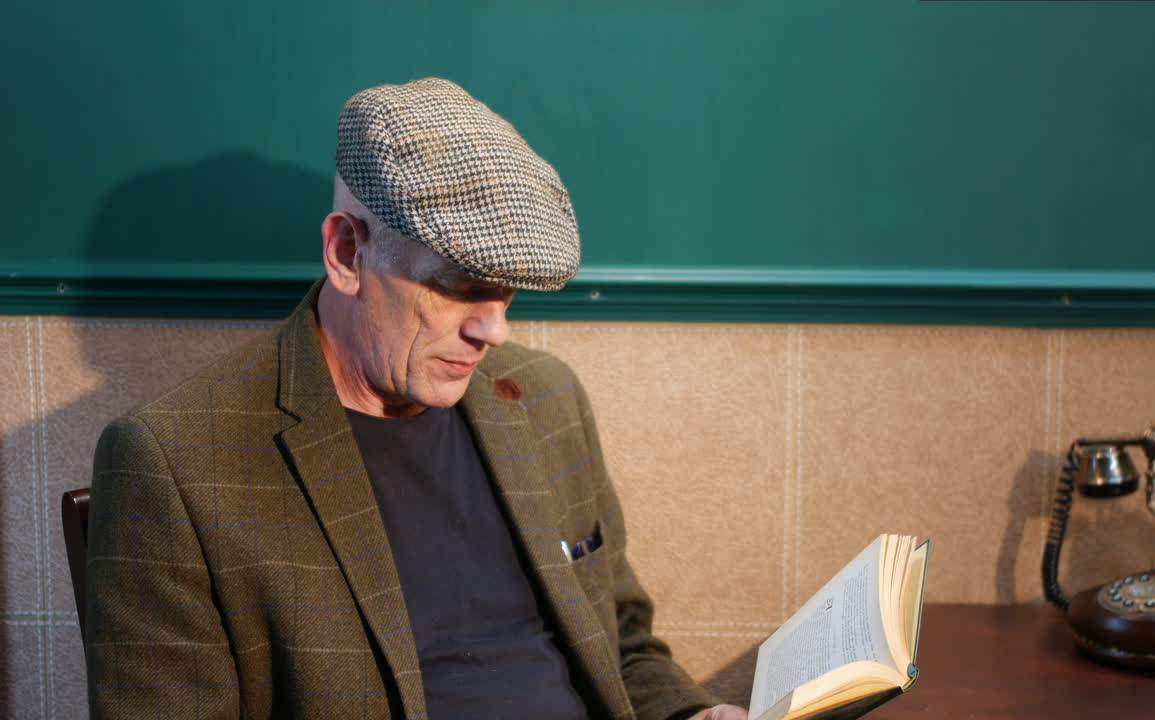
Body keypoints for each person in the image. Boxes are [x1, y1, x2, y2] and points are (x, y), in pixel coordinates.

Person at [85, 78, 747, 720]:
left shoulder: (546, 396)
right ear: (347, 253)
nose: (494, 331)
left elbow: (621, 645)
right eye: (457, 286)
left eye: (507, 292)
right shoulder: (177, 464)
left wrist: (691, 711)